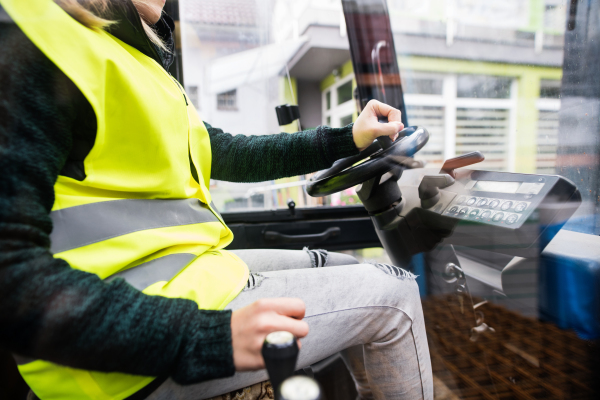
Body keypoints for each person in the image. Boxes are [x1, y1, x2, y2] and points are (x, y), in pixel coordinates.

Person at [0, 0, 433, 399]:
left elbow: (227, 152)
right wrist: (202, 335)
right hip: (117, 350)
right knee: (395, 296)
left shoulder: (130, 60)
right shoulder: (30, 37)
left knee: (348, 266)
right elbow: (11, 282)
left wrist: (346, 139)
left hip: (177, 274)